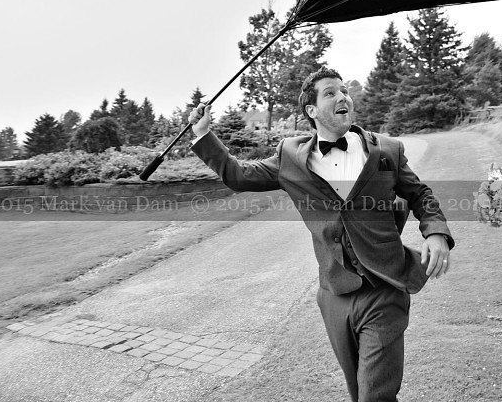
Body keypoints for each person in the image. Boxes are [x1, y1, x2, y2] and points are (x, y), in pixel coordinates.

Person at [188, 67, 454, 402]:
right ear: (311, 111)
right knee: (360, 391)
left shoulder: (386, 150)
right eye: (330, 92)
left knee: (375, 395)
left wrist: (436, 234)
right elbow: (240, 175)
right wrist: (203, 134)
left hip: (385, 287)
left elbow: (420, 194)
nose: (343, 96)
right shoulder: (291, 156)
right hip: (334, 294)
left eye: (344, 91)